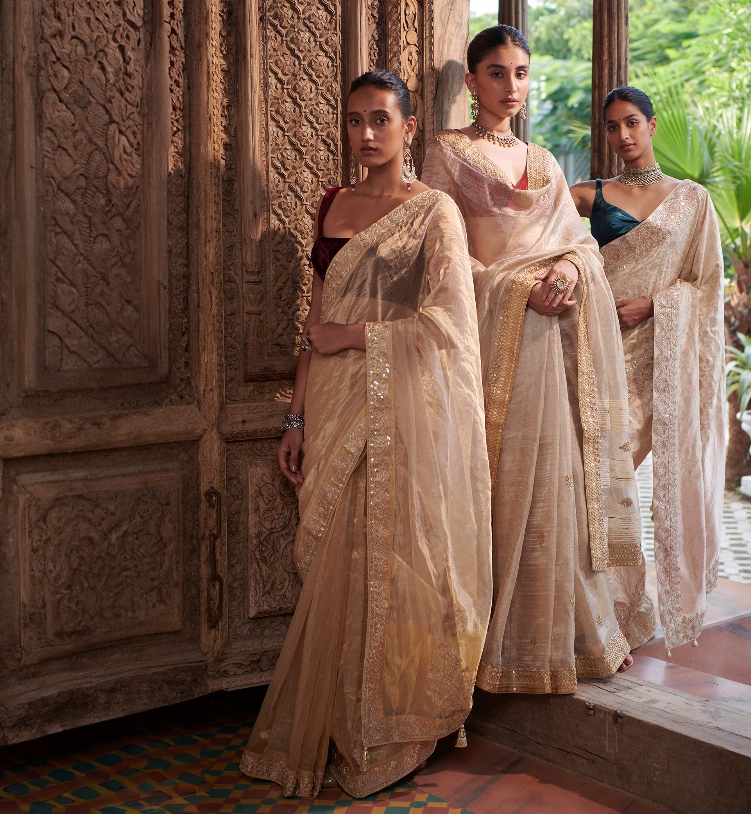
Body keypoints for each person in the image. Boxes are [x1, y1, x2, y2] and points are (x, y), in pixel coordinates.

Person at [240, 70, 491, 798]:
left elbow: (448, 322)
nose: (366, 134)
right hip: (333, 401)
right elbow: (313, 324)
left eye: (380, 119)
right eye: (354, 120)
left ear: (409, 128)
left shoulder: (434, 211)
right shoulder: (333, 204)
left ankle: (390, 725)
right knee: (336, 556)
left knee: (395, 554)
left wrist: (355, 336)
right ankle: (339, 722)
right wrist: (296, 415)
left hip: (399, 406)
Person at [421, 25, 647, 694]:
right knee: (502, 479)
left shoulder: (544, 161)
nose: (511, 86)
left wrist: (571, 273)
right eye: (497, 73)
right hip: (495, 339)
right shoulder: (447, 153)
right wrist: (519, 288)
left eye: (520, 73)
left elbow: (578, 244)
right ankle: (493, 643)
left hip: (554, 339)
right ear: (472, 81)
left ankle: (573, 632)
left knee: (559, 479)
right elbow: (441, 257)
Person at [570, 86, 726, 650]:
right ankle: (597, 614)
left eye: (632, 123)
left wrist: (657, 305)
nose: (623, 136)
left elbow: (707, 286)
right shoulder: (589, 194)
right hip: (595, 350)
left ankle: (618, 613)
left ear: (652, 125)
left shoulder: (691, 201)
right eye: (612, 127)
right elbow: (532, 230)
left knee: (615, 481)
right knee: (592, 481)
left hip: (657, 361)